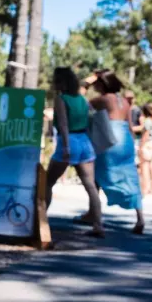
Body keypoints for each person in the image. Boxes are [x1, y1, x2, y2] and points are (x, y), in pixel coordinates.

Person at [45, 68, 104, 237]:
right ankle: (98, 225)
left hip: (69, 141)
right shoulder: (82, 99)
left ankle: (41, 221)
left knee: (48, 182)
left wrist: (66, 146)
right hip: (84, 141)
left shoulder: (61, 99)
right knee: (90, 185)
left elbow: (63, 124)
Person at [89, 69, 145, 234]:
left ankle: (97, 222)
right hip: (126, 139)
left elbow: (81, 104)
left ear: (102, 84)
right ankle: (140, 218)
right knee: (130, 177)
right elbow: (130, 126)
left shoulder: (103, 99)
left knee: (96, 176)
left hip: (109, 138)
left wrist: (87, 82)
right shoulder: (125, 101)